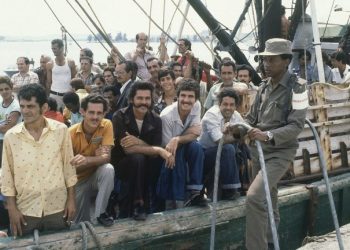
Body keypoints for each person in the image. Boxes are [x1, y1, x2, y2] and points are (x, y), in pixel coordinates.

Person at [244, 38, 307, 250]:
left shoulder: (299, 89)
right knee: (268, 198)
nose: (265, 65)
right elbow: (250, 118)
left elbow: (296, 126)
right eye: (264, 60)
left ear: (286, 61)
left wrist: (268, 135)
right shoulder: (263, 88)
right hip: (258, 151)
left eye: (271, 60)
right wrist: (236, 127)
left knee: (254, 197)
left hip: (280, 152)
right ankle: (271, 243)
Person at [1, 84, 77, 237]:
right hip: (25, 210)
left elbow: (69, 169)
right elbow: (7, 176)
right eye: (22, 106)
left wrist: (71, 200)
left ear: (44, 107)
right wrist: (12, 210)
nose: (25, 111)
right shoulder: (11, 136)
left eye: (30, 106)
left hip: (57, 208)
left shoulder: (61, 130)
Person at [111, 81, 173, 220]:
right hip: (123, 164)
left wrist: (141, 142)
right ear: (132, 99)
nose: (143, 102)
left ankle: (162, 204)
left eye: (147, 99)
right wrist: (155, 149)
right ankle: (138, 203)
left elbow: (156, 148)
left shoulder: (156, 120)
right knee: (137, 158)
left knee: (156, 160)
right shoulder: (120, 116)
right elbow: (128, 149)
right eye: (140, 98)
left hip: (148, 165)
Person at [158, 78, 208, 209]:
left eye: (190, 96)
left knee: (197, 147)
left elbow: (196, 133)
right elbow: (167, 147)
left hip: (183, 145)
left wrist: (177, 139)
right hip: (165, 153)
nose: (186, 100)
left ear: (196, 99)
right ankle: (177, 201)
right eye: (183, 96)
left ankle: (195, 192)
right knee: (176, 155)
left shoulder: (196, 106)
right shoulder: (166, 116)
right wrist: (182, 138)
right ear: (177, 97)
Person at [69, 94, 115, 226]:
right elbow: (68, 170)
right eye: (91, 112)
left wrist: (86, 160)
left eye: (99, 113)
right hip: (77, 182)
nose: (95, 117)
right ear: (82, 112)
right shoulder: (70, 133)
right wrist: (97, 158)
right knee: (77, 224)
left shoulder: (106, 125)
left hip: (96, 176)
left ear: (104, 113)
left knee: (108, 170)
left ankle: (100, 215)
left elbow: (107, 158)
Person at [199, 88, 243, 200]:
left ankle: (244, 185)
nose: (228, 108)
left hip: (221, 155)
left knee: (240, 150)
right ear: (219, 104)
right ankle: (230, 189)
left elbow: (244, 133)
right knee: (228, 148)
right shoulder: (212, 115)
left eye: (231, 105)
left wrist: (237, 136)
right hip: (205, 155)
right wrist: (237, 136)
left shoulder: (236, 115)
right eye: (225, 104)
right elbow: (219, 140)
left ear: (235, 106)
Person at [46, 39, 77, 110]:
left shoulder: (70, 62)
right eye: (52, 48)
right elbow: (48, 82)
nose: (53, 50)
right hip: (54, 95)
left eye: (55, 48)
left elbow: (74, 79)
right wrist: (48, 97)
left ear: (62, 48)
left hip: (68, 95)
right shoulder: (49, 64)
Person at [0, 76, 22, 164]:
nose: (4, 92)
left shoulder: (15, 107)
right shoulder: (0, 103)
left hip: (9, 142)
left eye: (6, 89)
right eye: (1, 90)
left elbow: (6, 129)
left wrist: (3, 126)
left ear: (11, 89)